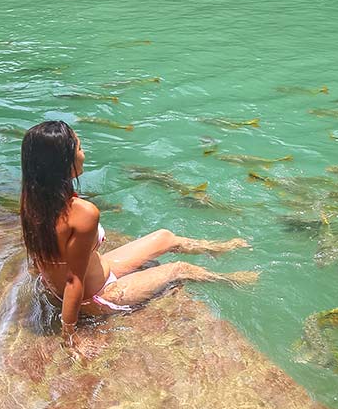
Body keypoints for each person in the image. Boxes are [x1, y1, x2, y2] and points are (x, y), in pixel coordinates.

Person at [19, 120, 257, 346]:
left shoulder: (33, 199)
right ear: (64, 162)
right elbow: (74, 280)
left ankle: (215, 248)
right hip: (97, 296)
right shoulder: (83, 213)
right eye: (79, 148)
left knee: (164, 237)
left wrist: (47, 282)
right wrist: (70, 335)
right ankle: (230, 280)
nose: (84, 154)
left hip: (96, 274)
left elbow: (39, 251)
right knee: (180, 269)